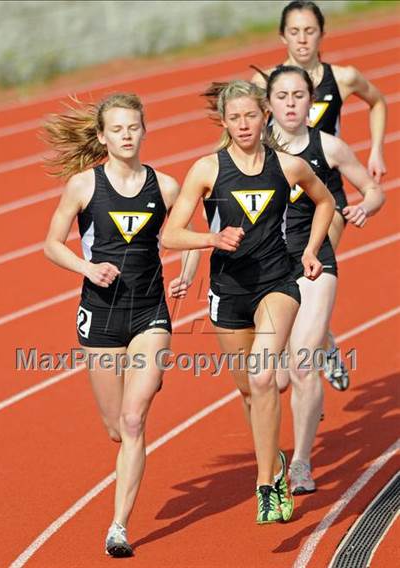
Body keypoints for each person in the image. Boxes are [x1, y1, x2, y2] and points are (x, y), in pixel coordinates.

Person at [161, 79, 335, 523]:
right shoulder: (207, 170)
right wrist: (212, 238)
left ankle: (266, 483)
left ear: (265, 117)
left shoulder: (288, 166)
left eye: (250, 116)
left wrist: (312, 250)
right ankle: (274, 459)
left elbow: (325, 201)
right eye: (234, 117)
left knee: (262, 378)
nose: (243, 124)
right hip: (228, 294)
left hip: (278, 282)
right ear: (224, 121)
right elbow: (171, 233)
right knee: (249, 390)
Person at [43, 93, 199, 557]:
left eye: (134, 127)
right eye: (118, 129)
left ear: (144, 130)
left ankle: (118, 527)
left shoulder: (166, 187)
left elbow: (190, 233)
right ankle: (141, 385)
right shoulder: (82, 186)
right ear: (102, 136)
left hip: (150, 312)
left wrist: (187, 275)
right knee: (115, 426)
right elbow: (51, 244)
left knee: (134, 420)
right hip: (101, 317)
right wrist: (88, 269)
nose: (127, 135)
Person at [251, 0, 388, 390]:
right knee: (288, 276)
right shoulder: (268, 85)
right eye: (294, 32)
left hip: (328, 191)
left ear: (322, 34)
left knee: (315, 267)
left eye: (309, 31)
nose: (302, 40)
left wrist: (376, 149)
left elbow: (377, 101)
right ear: (282, 37)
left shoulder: (342, 78)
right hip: (281, 197)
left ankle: (313, 345)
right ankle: (322, 338)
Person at [264, 65, 385, 494]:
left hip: (315, 261)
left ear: (312, 101)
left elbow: (374, 190)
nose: (292, 104)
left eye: (300, 96)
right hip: (266, 267)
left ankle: (300, 462)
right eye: (283, 96)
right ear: (270, 103)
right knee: (273, 379)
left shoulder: (328, 146)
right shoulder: (252, 149)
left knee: (300, 364)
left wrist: (364, 208)